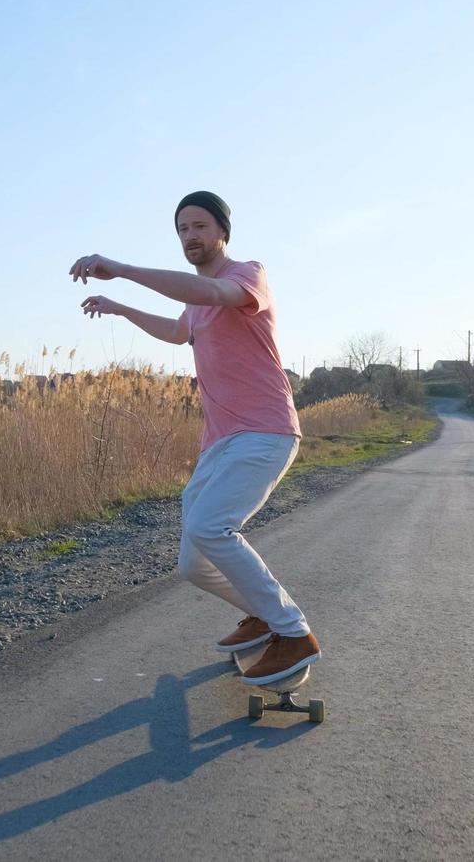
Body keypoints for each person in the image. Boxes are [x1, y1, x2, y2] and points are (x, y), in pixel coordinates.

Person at [69, 191, 320, 686]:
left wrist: (119, 268)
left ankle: (293, 633)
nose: (191, 237)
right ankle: (261, 614)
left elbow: (215, 296)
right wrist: (120, 308)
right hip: (220, 439)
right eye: (183, 229)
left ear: (223, 232)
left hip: (265, 429)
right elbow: (179, 330)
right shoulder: (194, 299)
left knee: (210, 527)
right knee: (192, 561)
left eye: (200, 226)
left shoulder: (247, 275)